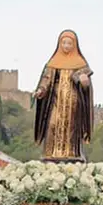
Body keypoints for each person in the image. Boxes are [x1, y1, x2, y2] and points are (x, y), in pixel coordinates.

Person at [33, 29, 93, 162]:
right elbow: (46, 79)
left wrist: (84, 82)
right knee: (53, 123)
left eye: (69, 43)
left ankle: (72, 154)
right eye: (64, 43)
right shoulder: (53, 62)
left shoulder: (80, 64)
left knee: (71, 126)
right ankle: (50, 153)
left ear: (74, 45)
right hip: (56, 100)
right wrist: (41, 90)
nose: (66, 46)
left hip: (73, 102)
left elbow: (86, 86)